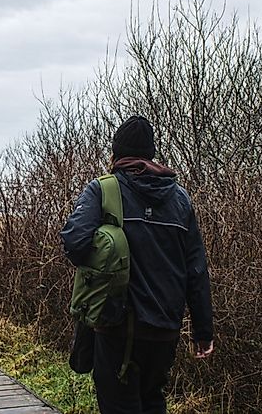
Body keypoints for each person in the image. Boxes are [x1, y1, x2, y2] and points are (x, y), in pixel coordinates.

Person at [60, 115, 214, 414]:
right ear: (150, 154)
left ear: (115, 154)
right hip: (165, 333)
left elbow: (74, 244)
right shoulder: (181, 199)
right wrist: (203, 331)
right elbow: (196, 269)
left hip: (117, 329)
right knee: (153, 402)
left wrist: (105, 251)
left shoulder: (102, 190)